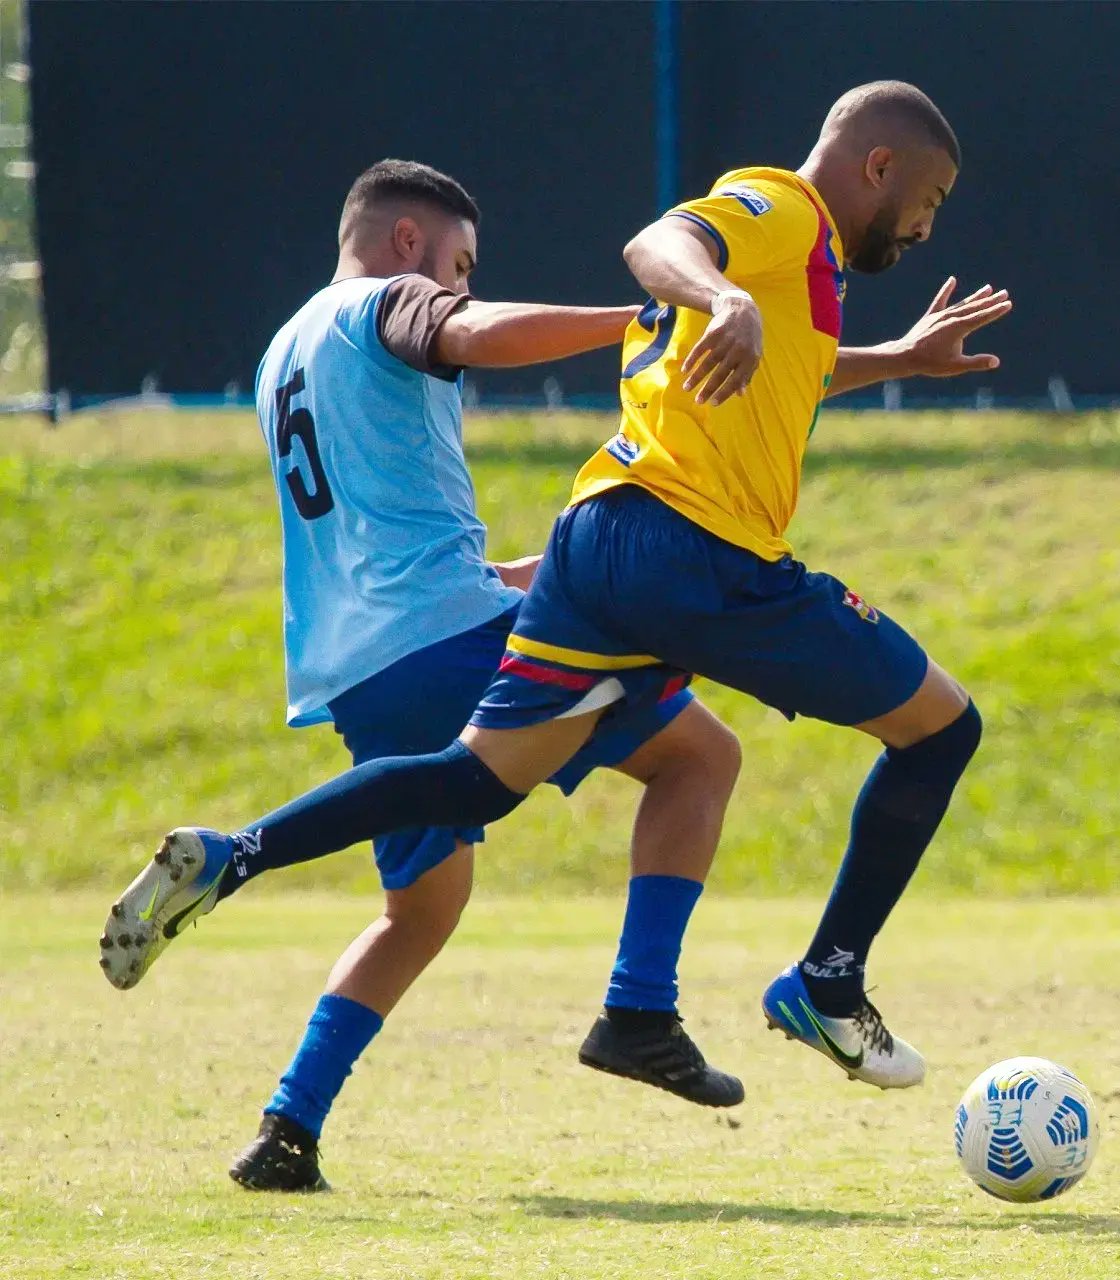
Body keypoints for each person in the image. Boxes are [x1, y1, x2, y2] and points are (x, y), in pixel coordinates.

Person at [105, 81, 1012, 1101]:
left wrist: (886, 357)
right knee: (938, 729)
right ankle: (824, 981)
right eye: (927, 196)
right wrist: (717, 293)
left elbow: (776, 368)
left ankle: (242, 854)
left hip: (586, 546)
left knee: (470, 782)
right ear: (875, 167)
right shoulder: (779, 212)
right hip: (693, 551)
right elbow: (657, 243)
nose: (929, 226)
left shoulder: (286, 346)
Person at [99, 159, 747, 1192]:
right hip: (450, 636)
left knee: (421, 908)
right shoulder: (386, 300)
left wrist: (532, 569)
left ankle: (286, 1130)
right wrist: (641, 316)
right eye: (460, 264)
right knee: (701, 757)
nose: (459, 284)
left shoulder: (284, 351)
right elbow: (476, 334)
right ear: (410, 243)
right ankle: (638, 1007)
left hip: (360, 667)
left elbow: (387, 527)